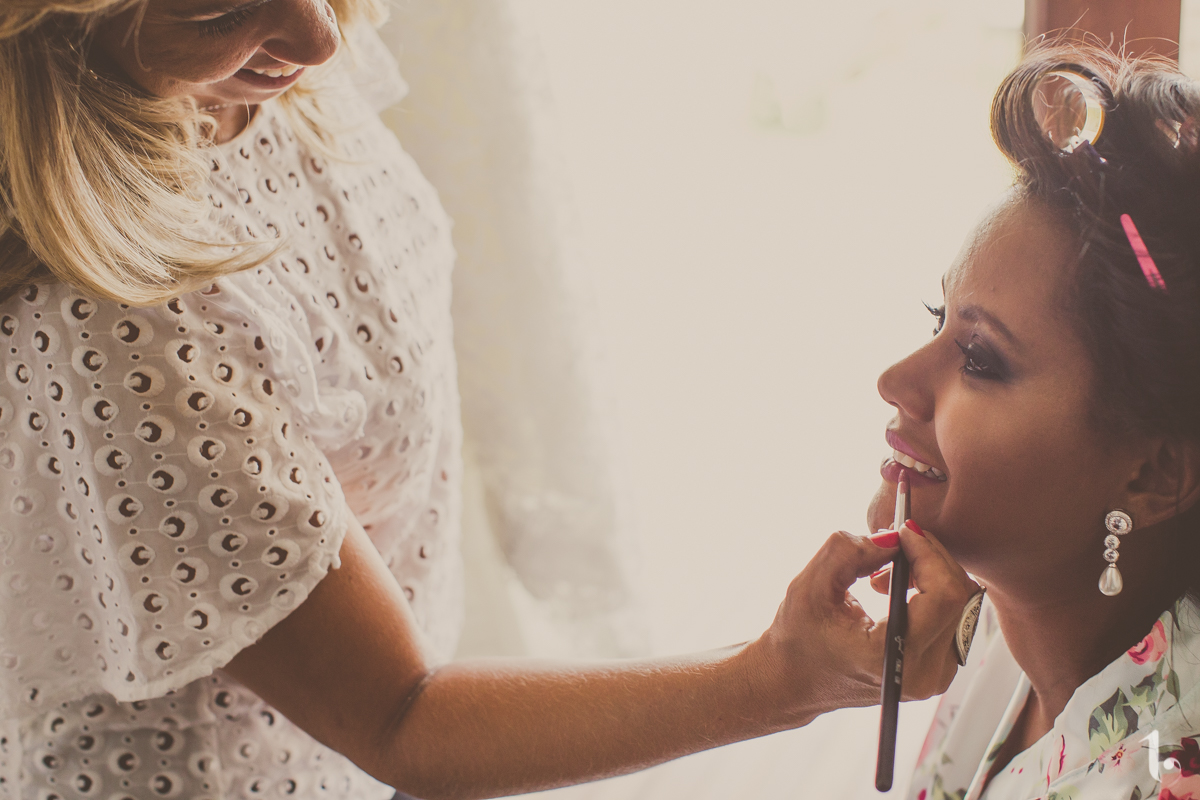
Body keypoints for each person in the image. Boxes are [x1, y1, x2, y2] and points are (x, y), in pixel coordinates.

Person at [0, 2, 980, 799]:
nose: (322, 38)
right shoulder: (115, 318)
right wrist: (787, 676)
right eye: (219, 11)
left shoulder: (266, 71)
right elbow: (399, 716)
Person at [866, 41, 1200, 800]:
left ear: (1152, 473)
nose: (895, 382)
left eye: (981, 358)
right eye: (936, 317)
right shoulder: (992, 623)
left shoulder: (1167, 777)